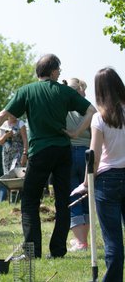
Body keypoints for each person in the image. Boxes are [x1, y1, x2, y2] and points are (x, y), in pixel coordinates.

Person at [0, 54, 96, 259]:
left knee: (29, 201)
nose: (60, 73)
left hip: (40, 152)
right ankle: (58, 251)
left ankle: (32, 252)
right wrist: (75, 133)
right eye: (59, 69)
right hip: (62, 151)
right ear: (53, 71)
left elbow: (3, 115)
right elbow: (91, 110)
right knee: (62, 202)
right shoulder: (64, 91)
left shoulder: (26, 91)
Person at [72, 67, 125, 281]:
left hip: (108, 180)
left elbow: (93, 155)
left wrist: (86, 182)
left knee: (112, 238)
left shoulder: (99, 118)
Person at [63, 78, 90, 252]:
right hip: (89, 154)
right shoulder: (88, 108)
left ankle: (80, 242)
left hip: (70, 153)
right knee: (86, 195)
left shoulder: (63, 106)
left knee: (73, 196)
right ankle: (83, 240)